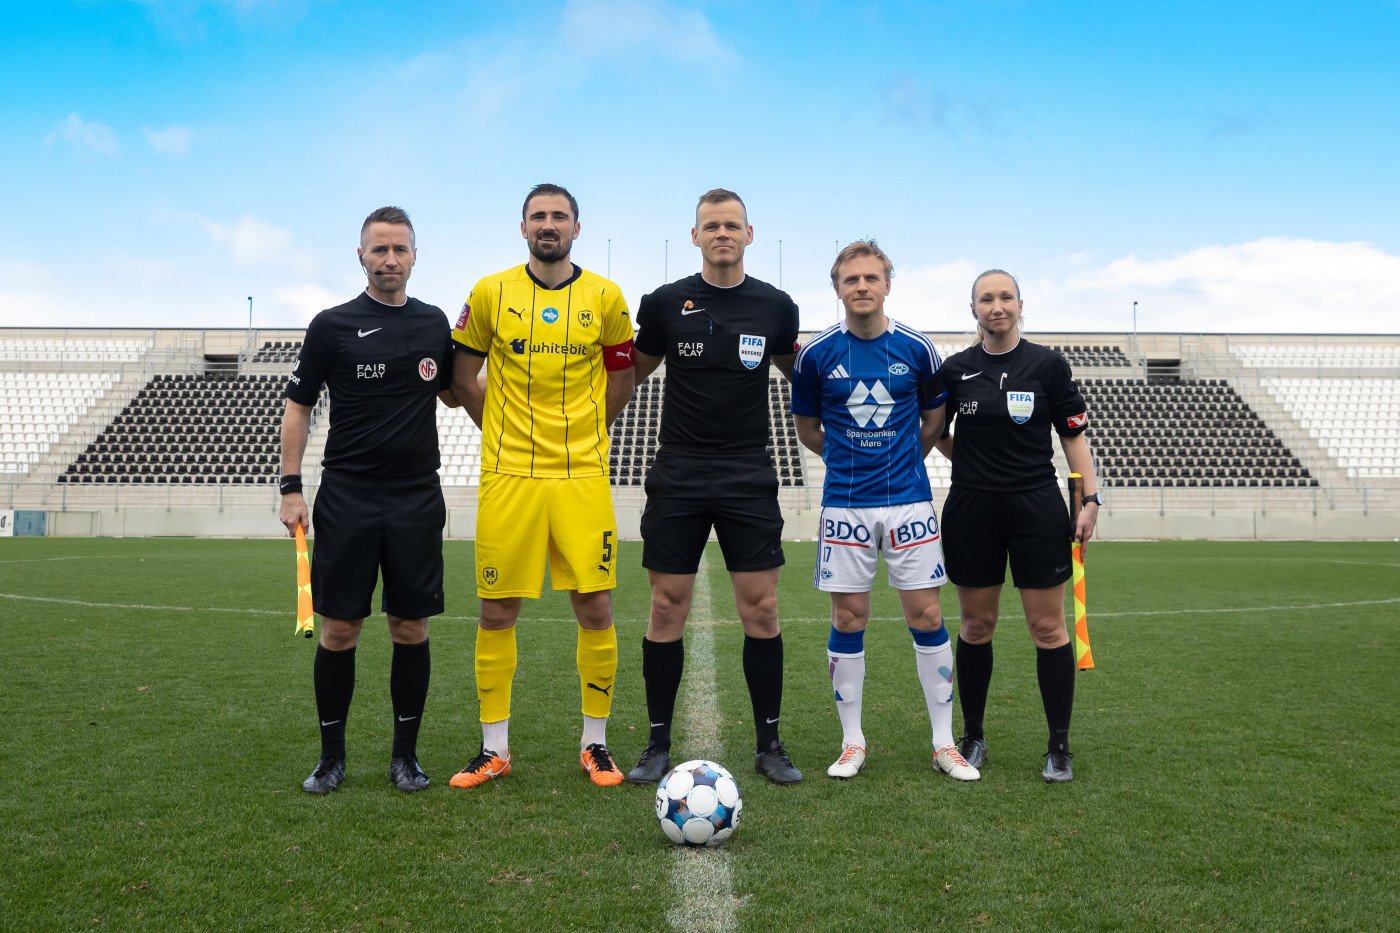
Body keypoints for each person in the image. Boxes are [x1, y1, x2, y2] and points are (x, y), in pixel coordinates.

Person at [448, 184, 636, 789]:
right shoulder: (489, 292)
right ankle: (494, 748)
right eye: (538, 216)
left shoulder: (606, 296)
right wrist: (503, 433)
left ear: (577, 228)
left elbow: (622, 379)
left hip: (582, 476)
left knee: (595, 605)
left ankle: (595, 744)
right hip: (510, 476)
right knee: (496, 609)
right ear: (523, 227)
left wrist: (589, 432)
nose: (548, 224)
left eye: (559, 216)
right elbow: (463, 377)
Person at [626, 189, 804, 786]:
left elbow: (801, 376)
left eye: (732, 225)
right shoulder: (664, 303)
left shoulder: (776, 306)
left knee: (762, 608)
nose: (722, 233)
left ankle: (770, 744)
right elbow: (628, 375)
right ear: (695, 235)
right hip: (678, 471)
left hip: (747, 472)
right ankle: (656, 743)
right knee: (664, 606)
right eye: (711, 226)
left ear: (749, 234)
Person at [280, 205, 459, 794]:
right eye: (379, 249)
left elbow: (459, 391)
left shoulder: (434, 323)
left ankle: (405, 757)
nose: (389, 259)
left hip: (416, 498)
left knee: (411, 628)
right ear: (360, 255)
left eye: (399, 249)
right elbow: (298, 407)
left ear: (415, 256)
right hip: (348, 497)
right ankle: (331, 758)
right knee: (339, 631)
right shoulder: (331, 325)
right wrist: (290, 487)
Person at [791, 240, 979, 782]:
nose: (862, 287)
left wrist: (899, 462)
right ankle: (852, 742)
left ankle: (944, 743)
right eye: (851, 279)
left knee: (927, 617)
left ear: (888, 285)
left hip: (909, 503)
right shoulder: (815, 355)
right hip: (845, 507)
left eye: (871, 278)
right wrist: (849, 460)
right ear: (837, 288)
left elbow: (933, 422)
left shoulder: (918, 349)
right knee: (848, 618)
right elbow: (808, 431)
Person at [935, 269, 1100, 782]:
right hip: (972, 508)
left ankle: (1059, 747)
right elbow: (935, 431)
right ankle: (973, 737)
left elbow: (1072, 437)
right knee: (976, 626)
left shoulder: (1048, 365)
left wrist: (1090, 499)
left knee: (1047, 628)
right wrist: (974, 463)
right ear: (974, 309)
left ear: (1020, 305)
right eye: (986, 299)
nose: (997, 306)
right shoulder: (955, 369)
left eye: (1005, 297)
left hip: (1036, 507)